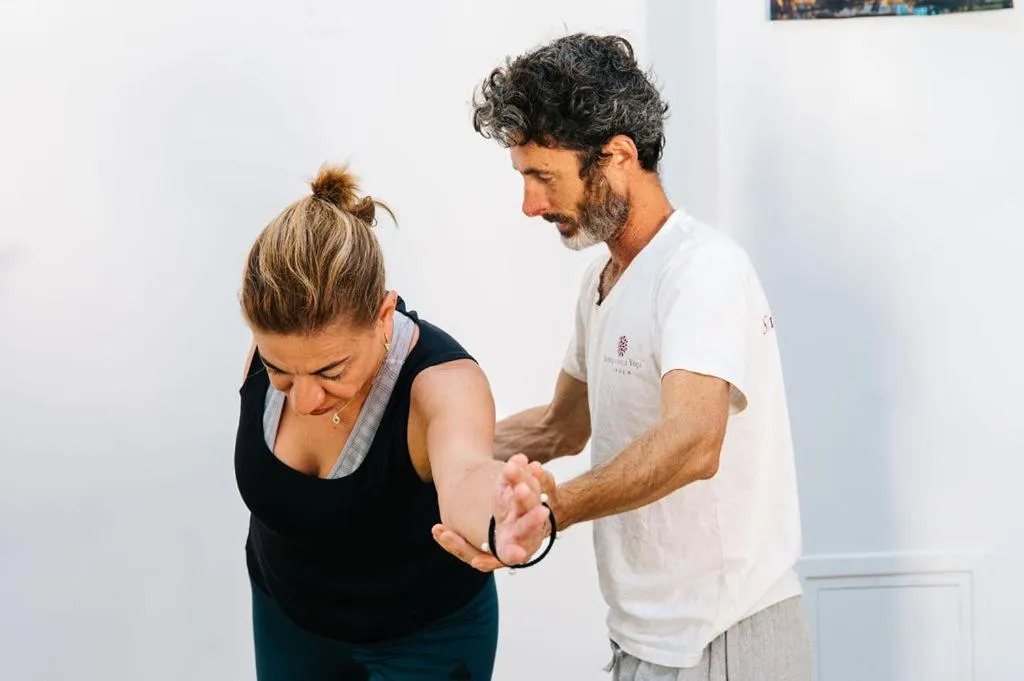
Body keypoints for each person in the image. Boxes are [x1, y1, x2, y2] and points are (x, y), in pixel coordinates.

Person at [432, 33, 813, 681]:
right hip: (642, 639)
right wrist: (438, 456)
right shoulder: (604, 282)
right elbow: (561, 425)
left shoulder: (701, 271)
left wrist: (558, 509)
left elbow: (695, 440)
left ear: (615, 157)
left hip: (725, 636)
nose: (529, 205)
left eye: (541, 176)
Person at [233, 163, 554, 681]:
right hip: (285, 617)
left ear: (384, 317)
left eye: (329, 371)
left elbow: (467, 473)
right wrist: (289, 373)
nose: (307, 397)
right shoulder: (276, 340)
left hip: (423, 641)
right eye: (281, 372)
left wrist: (501, 517)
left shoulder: (440, 384)